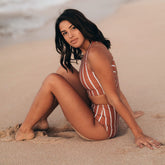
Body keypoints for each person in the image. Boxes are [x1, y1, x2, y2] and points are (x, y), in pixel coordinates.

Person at [15, 9, 161, 149]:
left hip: (101, 128)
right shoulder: (90, 49)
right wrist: (130, 113)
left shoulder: (95, 54)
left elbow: (113, 95)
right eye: (65, 33)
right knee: (63, 71)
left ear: (82, 26)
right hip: (95, 109)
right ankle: (41, 119)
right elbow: (115, 85)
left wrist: (138, 133)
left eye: (73, 28)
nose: (70, 35)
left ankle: (25, 130)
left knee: (52, 80)